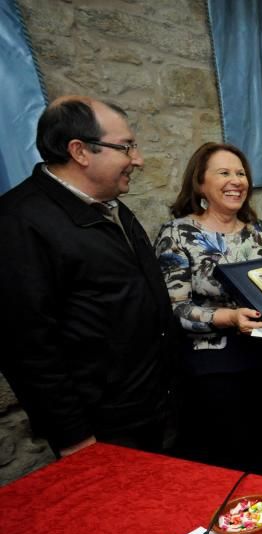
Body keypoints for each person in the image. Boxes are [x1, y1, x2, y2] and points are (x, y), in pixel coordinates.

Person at [0, 96, 173, 468]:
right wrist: (74, 437)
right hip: (102, 430)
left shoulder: (111, 205)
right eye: (126, 146)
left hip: (148, 406)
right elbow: (28, 346)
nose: (138, 159)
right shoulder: (20, 223)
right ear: (79, 151)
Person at [156, 142, 262, 471]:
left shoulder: (260, 233)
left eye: (241, 173)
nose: (236, 180)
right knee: (224, 458)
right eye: (224, 172)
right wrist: (229, 317)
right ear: (200, 182)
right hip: (213, 367)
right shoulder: (178, 234)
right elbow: (175, 310)